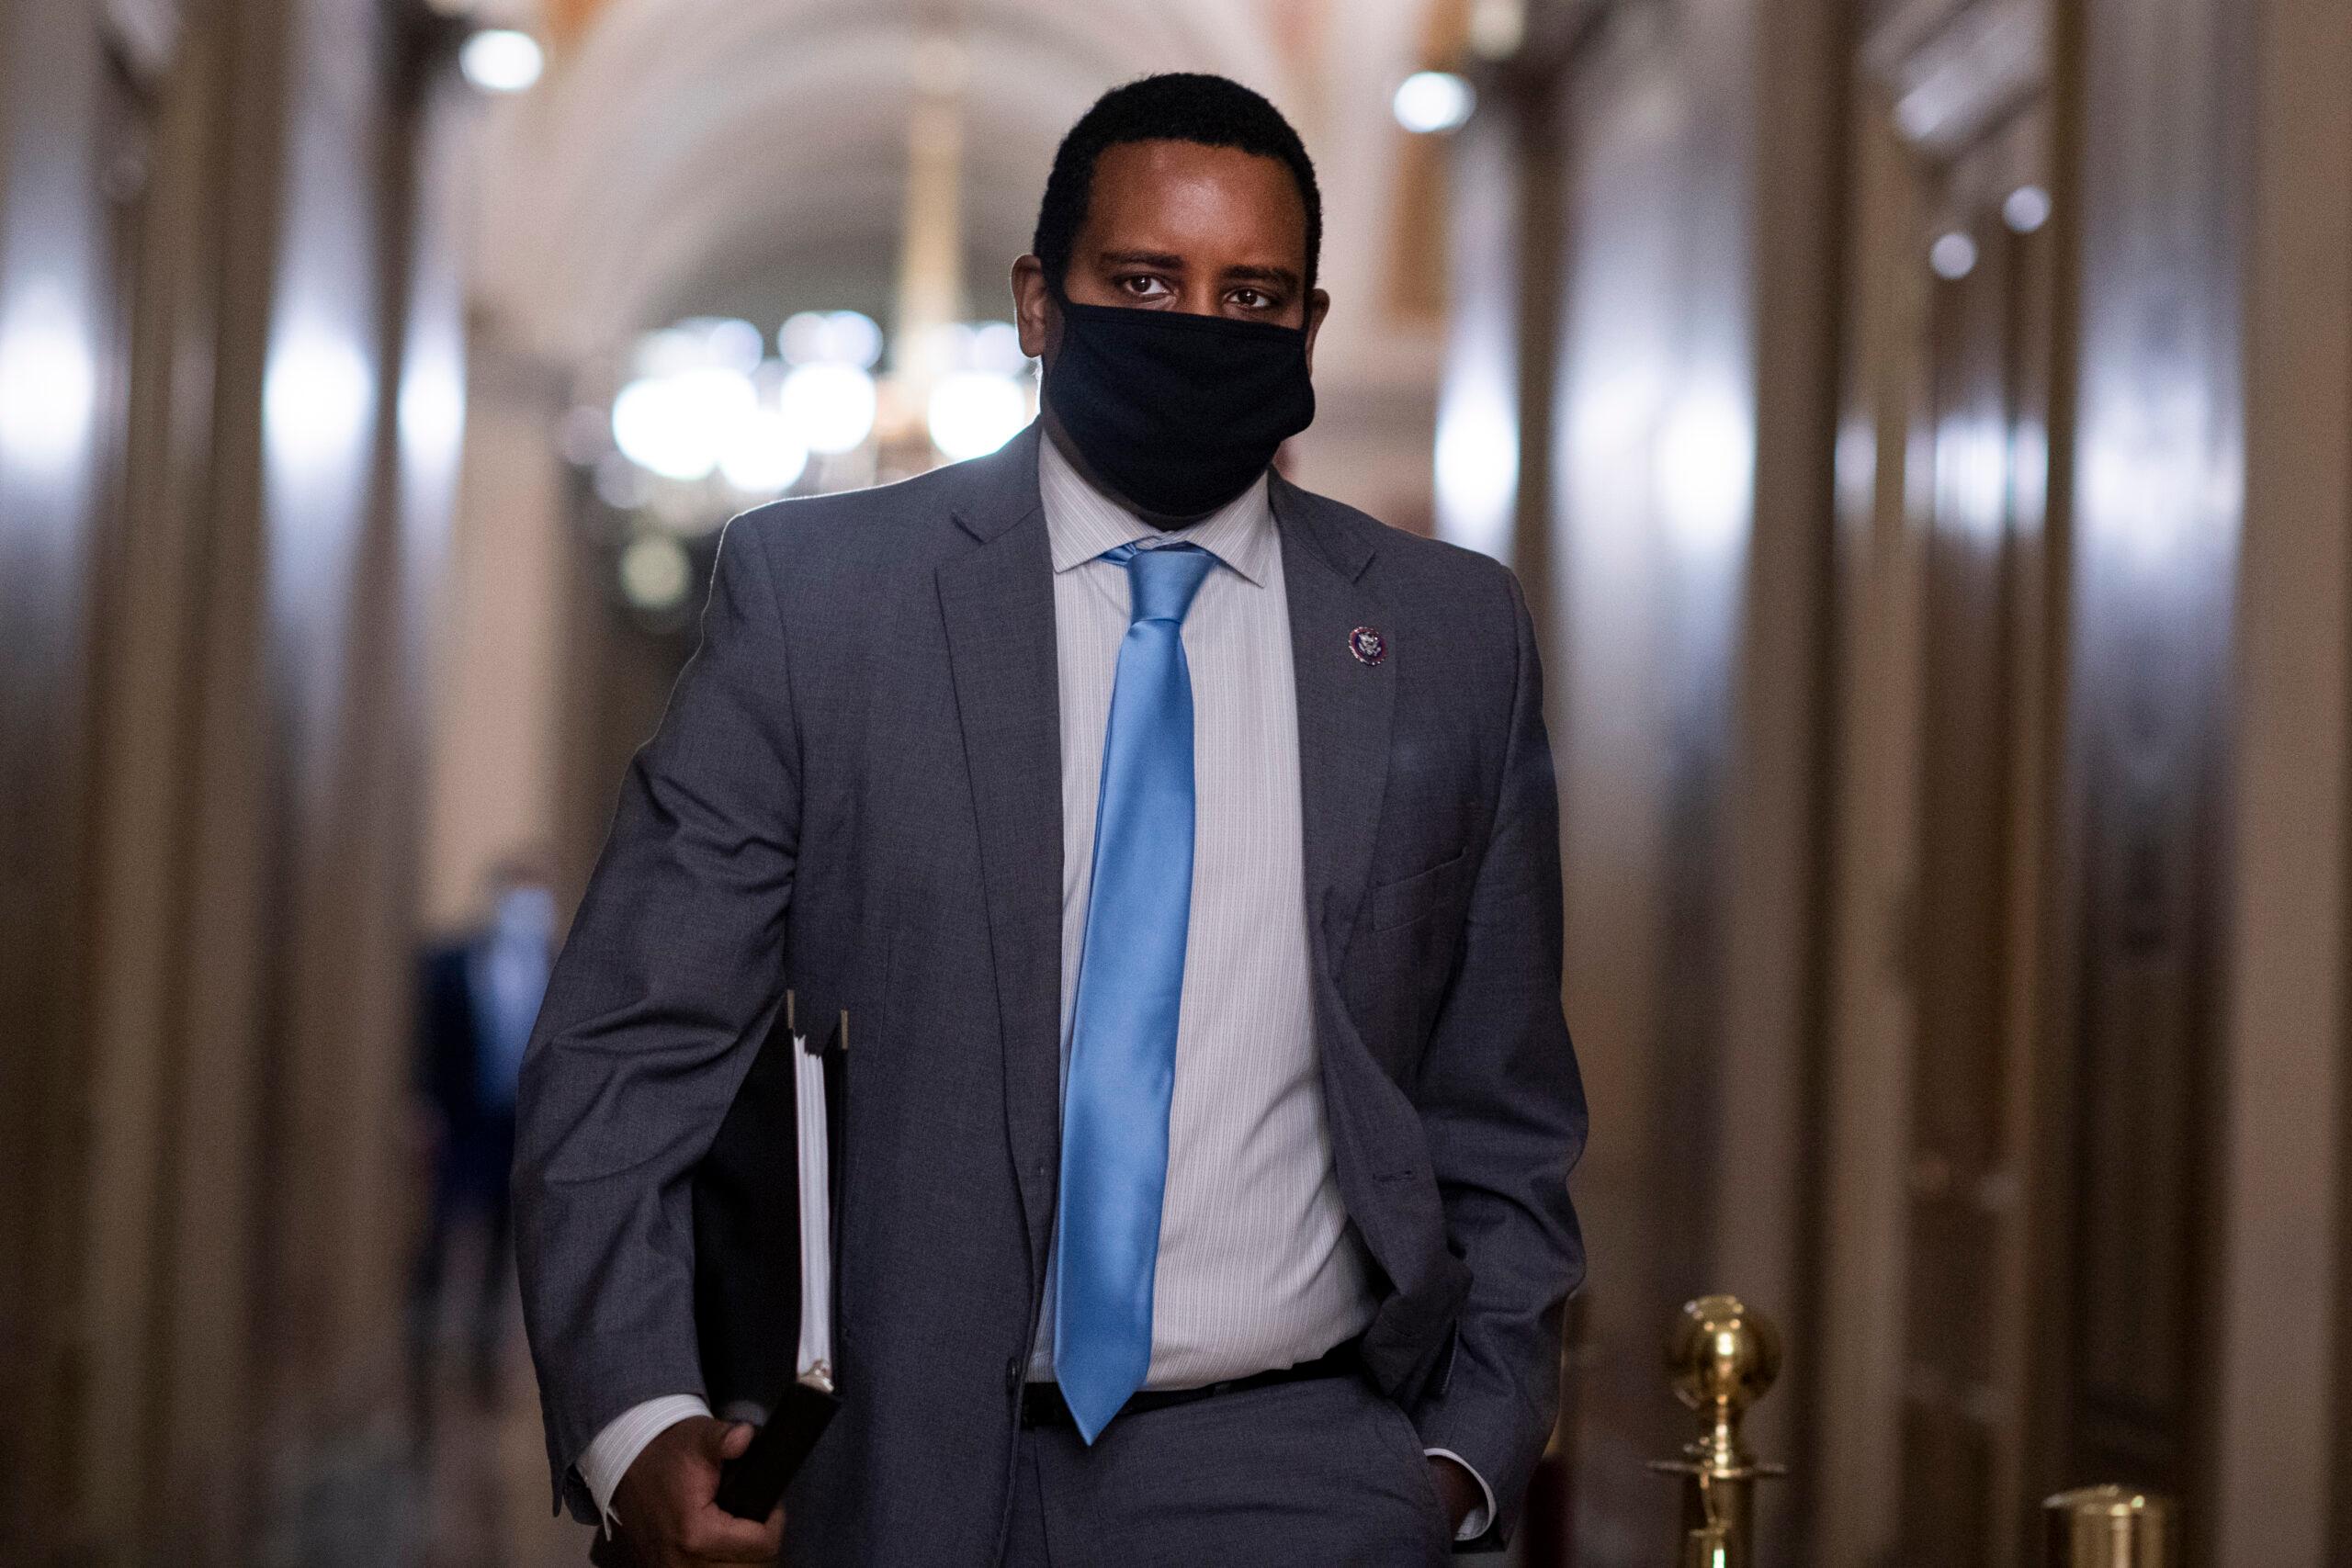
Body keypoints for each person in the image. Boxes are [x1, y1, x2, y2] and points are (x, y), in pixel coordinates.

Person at [514, 72, 1586, 1567]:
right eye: (1143, 280)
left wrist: (1463, 1454)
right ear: (1039, 300)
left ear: (1312, 330)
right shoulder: (825, 605)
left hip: (1304, 1473)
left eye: (1251, 294)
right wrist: (639, 1419)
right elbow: (632, 1048)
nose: (1196, 327)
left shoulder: (1447, 634)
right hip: (885, 1471)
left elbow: (1502, 1101)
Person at [412, 852, 557, 1437]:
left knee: (504, 1245)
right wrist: (421, 1104)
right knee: (440, 1234)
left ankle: (482, 1365)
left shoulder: (561, 967)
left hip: (518, 1129)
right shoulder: (450, 964)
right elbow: (423, 1040)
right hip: (461, 1121)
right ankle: (422, 1356)